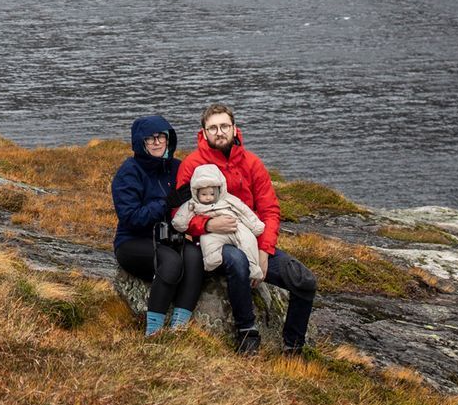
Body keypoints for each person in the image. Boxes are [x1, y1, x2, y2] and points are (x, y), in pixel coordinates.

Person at [175, 103, 319, 355]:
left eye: (224, 126)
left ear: (234, 128)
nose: (219, 132)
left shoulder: (252, 163)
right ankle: (247, 332)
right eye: (213, 128)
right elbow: (178, 213)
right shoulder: (192, 165)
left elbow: (270, 210)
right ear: (204, 132)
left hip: (250, 240)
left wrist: (264, 251)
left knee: (305, 281)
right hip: (212, 243)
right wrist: (207, 224)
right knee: (238, 261)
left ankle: (293, 348)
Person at [109, 113, 202, 335]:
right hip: (133, 242)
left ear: (169, 139)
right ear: (140, 143)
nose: (157, 142)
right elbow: (131, 218)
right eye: (150, 138)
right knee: (171, 262)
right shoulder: (129, 172)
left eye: (161, 136)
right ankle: (153, 332)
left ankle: (178, 328)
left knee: (195, 257)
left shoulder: (177, 167)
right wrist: (165, 204)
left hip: (169, 237)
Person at [172, 163, 266, 277]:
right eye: (204, 194)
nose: (208, 197)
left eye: (212, 194)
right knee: (207, 241)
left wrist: (255, 225)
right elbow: (181, 218)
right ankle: (211, 261)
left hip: (236, 226)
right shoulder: (193, 203)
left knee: (248, 239)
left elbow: (243, 211)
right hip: (213, 232)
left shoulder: (228, 199)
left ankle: (253, 267)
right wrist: (179, 223)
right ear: (196, 192)